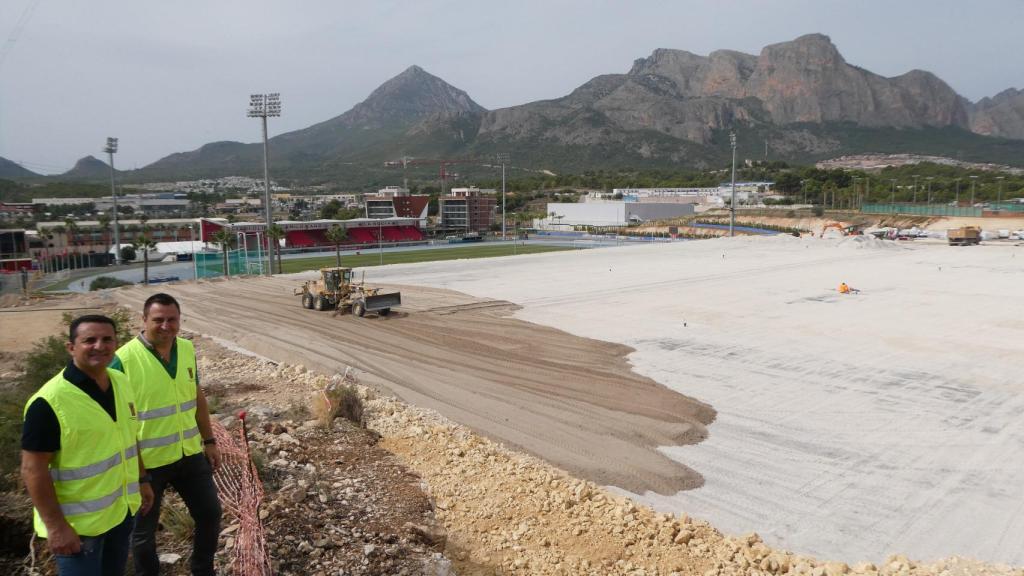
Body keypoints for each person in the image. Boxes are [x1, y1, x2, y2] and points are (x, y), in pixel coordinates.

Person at [21, 314, 154, 575]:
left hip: (120, 514)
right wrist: (56, 528)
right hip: (79, 530)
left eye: (107, 339)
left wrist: (143, 479)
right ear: (71, 347)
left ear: (116, 344)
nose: (99, 346)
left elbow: (127, 436)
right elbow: (32, 470)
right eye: (89, 340)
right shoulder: (48, 402)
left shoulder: (120, 381)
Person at [111, 293, 222, 576]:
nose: (166, 326)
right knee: (143, 535)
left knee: (210, 514)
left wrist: (209, 441)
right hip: (146, 464)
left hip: (189, 454)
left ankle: (202, 569)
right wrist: (137, 472)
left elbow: (196, 397)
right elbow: (115, 422)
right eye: (158, 320)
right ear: (144, 320)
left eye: (172, 320)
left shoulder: (185, 349)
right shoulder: (122, 360)